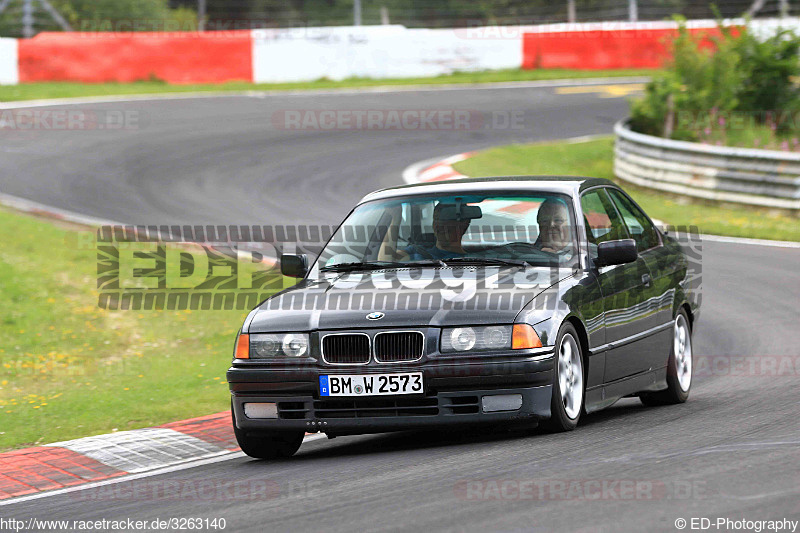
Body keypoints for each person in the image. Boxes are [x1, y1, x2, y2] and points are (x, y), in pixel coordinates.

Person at [402, 202, 471, 260]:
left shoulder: (476, 261)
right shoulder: (416, 251)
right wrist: (395, 220)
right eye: (436, 219)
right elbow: (392, 257)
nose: (439, 225)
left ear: (463, 225)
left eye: (445, 220)